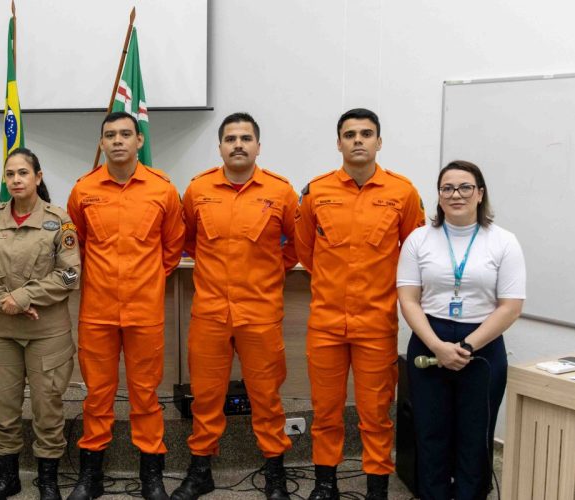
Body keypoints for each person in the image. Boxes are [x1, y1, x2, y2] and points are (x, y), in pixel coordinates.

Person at [294, 109, 425, 500]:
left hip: (376, 324)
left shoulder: (402, 192)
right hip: (326, 323)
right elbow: (305, 251)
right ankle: (325, 484)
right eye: (349, 134)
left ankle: (376, 489)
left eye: (366, 134)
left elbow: (415, 253)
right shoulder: (316, 192)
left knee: (376, 414)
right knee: (326, 411)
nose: (358, 140)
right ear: (338, 143)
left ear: (379, 142)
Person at [172, 113, 298, 500]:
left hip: (260, 313)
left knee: (267, 397)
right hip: (210, 312)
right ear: (220, 147)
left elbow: (299, 243)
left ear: (258, 146)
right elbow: (187, 240)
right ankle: (200, 471)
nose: (238, 144)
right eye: (230, 139)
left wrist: (267, 273)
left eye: (245, 138)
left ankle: (274, 472)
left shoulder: (281, 191)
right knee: (206, 397)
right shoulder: (198, 189)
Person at [65, 111, 186, 500]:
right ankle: (91, 476)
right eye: (110, 135)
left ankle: (151, 475)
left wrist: (146, 281)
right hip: (96, 311)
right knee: (97, 395)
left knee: (145, 395)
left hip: (144, 312)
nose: (117, 140)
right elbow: (75, 245)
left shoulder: (162, 189)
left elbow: (172, 247)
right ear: (101, 143)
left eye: (125, 134)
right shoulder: (83, 190)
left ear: (139, 141)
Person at [397, 160, 525, 500]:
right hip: (429, 339)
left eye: (465, 187)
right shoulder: (418, 239)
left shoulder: (503, 241)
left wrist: (466, 346)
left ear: (480, 193)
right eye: (447, 188)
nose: (456, 194)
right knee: (430, 432)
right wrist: (437, 346)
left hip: (483, 346)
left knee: (475, 435)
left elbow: (511, 306)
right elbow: (408, 300)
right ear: (439, 196)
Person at [0, 148, 80, 500]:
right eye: (10, 174)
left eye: (23, 173)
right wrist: (3, 300)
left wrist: (24, 297)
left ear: (38, 177)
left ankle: (48, 481)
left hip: (47, 333)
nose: (16, 179)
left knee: (48, 410)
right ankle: (8, 478)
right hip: (2, 331)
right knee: (3, 409)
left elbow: (70, 274)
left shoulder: (59, 221)